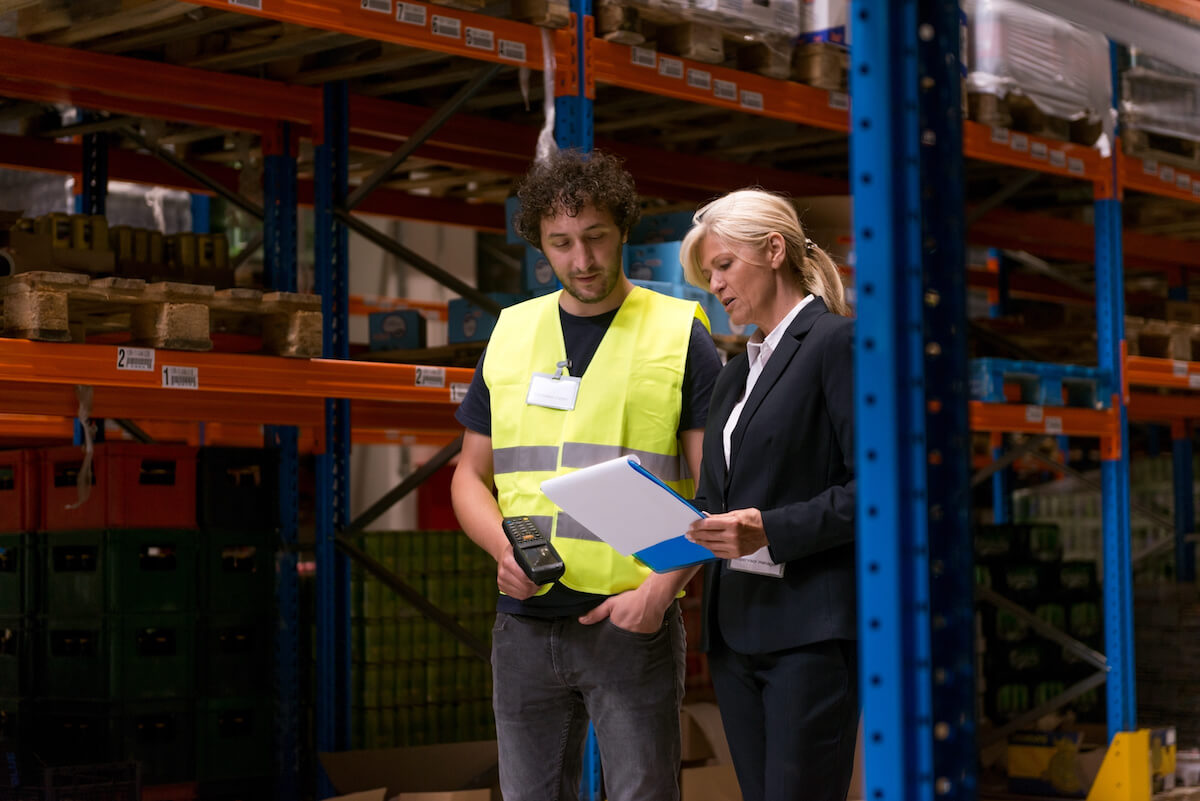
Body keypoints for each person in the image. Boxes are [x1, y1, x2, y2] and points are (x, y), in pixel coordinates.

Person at [450, 148, 722, 801]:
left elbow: (718, 490)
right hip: (524, 622)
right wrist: (500, 549)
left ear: (622, 229)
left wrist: (661, 592)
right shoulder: (513, 332)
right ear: (541, 244)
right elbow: (468, 474)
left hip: (630, 621)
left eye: (596, 237)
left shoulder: (679, 333)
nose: (582, 259)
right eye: (562, 243)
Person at [680, 189, 858, 801]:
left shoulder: (835, 344)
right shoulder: (736, 373)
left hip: (808, 633)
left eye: (724, 265)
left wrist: (770, 531)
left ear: (774, 249)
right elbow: (713, 498)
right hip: (735, 635)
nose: (717, 285)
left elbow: (878, 493)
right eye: (710, 275)